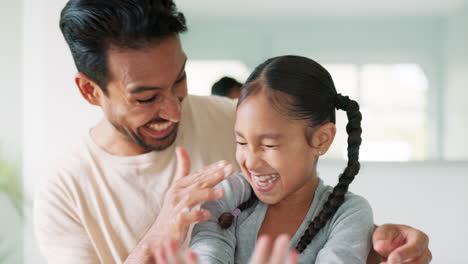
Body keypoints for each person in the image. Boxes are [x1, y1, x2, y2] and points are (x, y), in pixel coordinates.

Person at [33, 1, 432, 264]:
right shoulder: (64, 191)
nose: (174, 110)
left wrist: (378, 246)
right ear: (90, 90)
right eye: (146, 97)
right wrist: (160, 233)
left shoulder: (238, 119)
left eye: (180, 80)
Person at [189, 55, 373, 263]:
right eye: (241, 142)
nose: (250, 162)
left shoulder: (348, 214)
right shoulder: (226, 196)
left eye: (269, 145)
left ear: (322, 139)